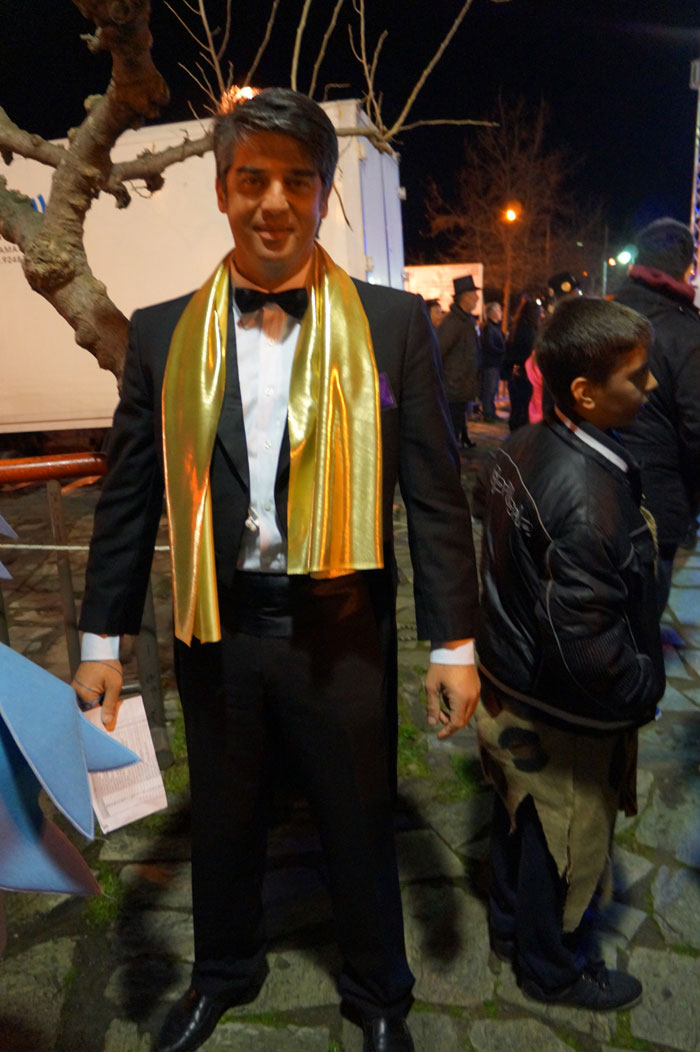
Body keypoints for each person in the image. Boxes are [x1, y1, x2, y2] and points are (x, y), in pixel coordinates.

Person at [71, 88, 481, 1052]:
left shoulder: (392, 324)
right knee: (222, 815)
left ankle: (378, 994)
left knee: (359, 813)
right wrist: (100, 640)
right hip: (218, 624)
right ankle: (224, 972)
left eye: (298, 182)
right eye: (251, 179)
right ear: (222, 191)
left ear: (323, 194)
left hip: (343, 624)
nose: (273, 203)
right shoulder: (162, 333)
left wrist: (454, 645)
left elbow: (434, 494)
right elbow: (128, 499)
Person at [476, 297, 665, 1010]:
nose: (650, 386)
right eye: (636, 376)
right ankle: (551, 969)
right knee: (564, 840)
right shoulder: (587, 495)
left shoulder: (524, 441)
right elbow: (588, 649)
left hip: (512, 680)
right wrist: (641, 687)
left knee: (520, 818)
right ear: (583, 392)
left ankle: (509, 927)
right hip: (561, 709)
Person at [614, 217, 700, 617]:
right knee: (642, 622)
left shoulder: (604, 315)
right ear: (685, 268)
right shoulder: (687, 334)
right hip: (657, 501)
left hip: (591, 491)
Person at [437, 274, 480, 447]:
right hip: (452, 390)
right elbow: (438, 352)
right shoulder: (453, 322)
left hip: (460, 388)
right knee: (450, 434)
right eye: (474, 294)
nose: (477, 298)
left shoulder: (466, 320)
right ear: (465, 297)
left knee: (455, 429)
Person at [504, 295, 540, 430]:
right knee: (524, 410)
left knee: (516, 408)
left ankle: (514, 434)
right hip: (526, 375)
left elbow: (509, 351)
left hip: (515, 374)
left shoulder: (515, 329)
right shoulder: (530, 332)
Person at [479, 302, 505, 422]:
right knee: (489, 389)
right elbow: (489, 346)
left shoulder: (494, 327)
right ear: (492, 313)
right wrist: (502, 352)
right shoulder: (488, 328)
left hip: (494, 363)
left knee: (493, 389)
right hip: (490, 363)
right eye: (498, 310)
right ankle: (487, 413)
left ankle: (491, 411)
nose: (501, 313)